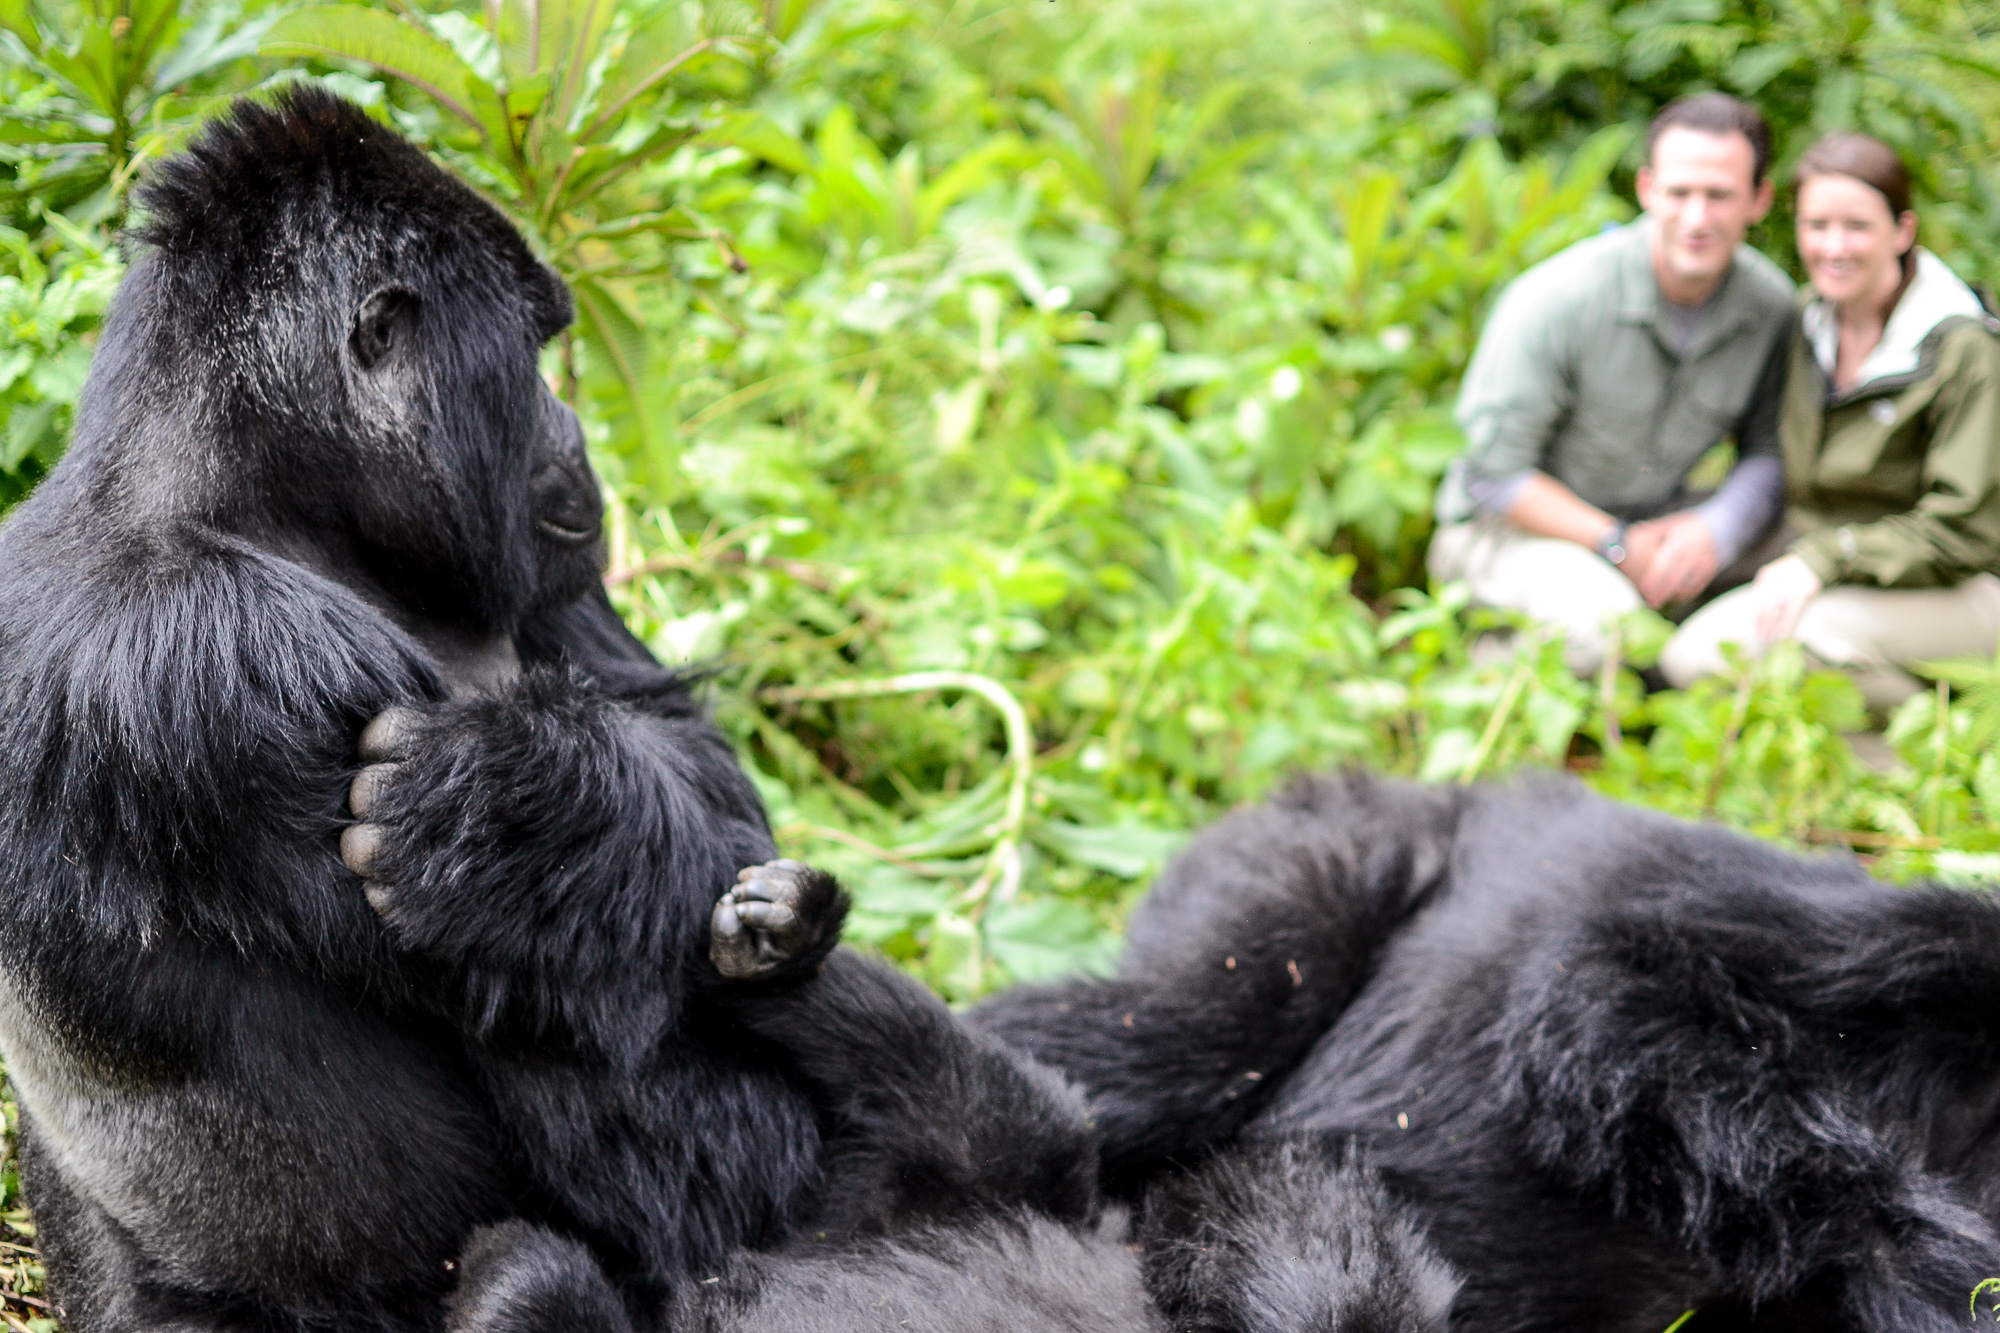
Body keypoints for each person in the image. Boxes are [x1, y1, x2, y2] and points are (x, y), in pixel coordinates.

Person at [1430, 93, 1798, 676]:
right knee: (1610, 631)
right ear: (1648, 189)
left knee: (1809, 538)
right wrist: (1616, 543)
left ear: (1759, 200)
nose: (1697, 218)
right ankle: (1481, 670)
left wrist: (1715, 531)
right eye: (1680, 193)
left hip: (1652, 516)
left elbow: (1769, 453)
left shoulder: (1771, 307)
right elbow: (1491, 475)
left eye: (1720, 195)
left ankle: (1682, 660)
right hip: (1508, 531)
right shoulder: (1559, 298)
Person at [1660, 133, 2000, 711]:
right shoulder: (1807, 323)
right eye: (1817, 226)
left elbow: (1964, 530)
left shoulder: (1964, 349)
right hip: (1835, 566)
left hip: (1960, 586)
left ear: (1903, 232)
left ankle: (1933, 731)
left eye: (1857, 227)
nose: (1834, 247)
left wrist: (1829, 556)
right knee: (1679, 621)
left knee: (1713, 658)